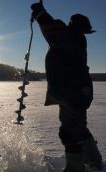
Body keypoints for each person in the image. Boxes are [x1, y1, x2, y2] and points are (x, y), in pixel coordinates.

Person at [30, 2, 103, 172]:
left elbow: (51, 29)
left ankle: (75, 168)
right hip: (76, 93)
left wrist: (40, 13)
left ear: (73, 26)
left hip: (72, 93)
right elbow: (54, 31)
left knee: (70, 133)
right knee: (78, 127)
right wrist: (41, 14)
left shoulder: (69, 38)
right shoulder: (76, 39)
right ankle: (94, 159)